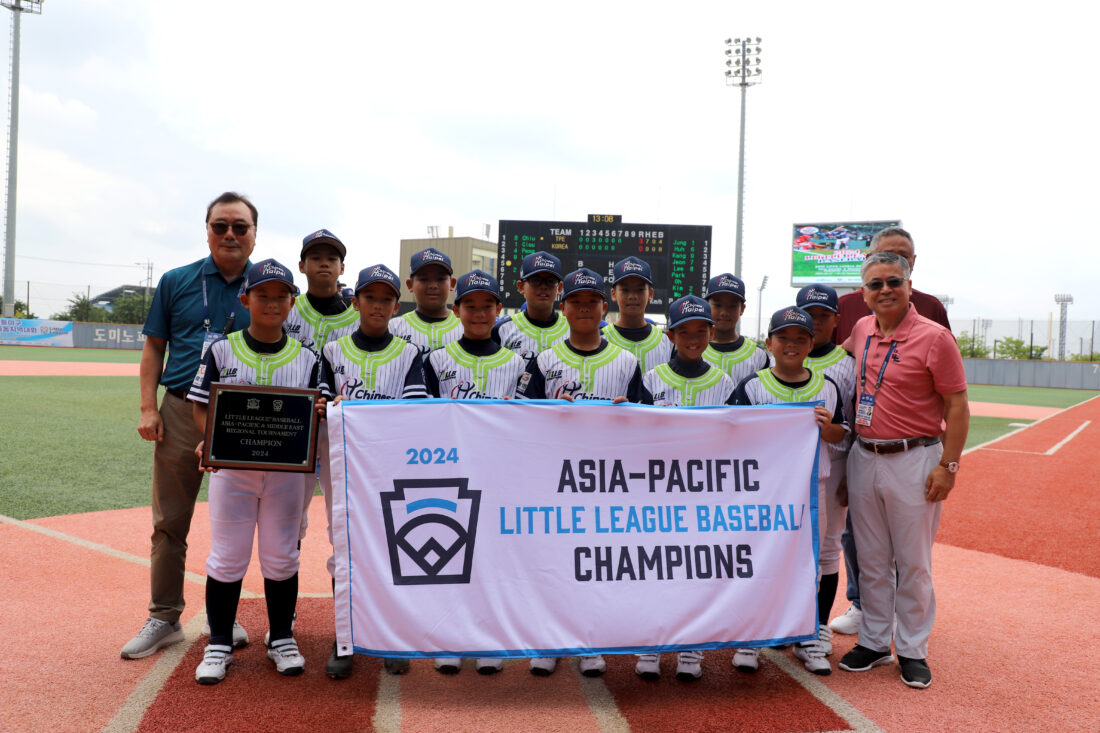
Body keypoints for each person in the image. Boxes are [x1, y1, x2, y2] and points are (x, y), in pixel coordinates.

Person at [123, 192, 257, 660]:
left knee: (236, 523)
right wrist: (149, 408)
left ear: (254, 234)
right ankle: (164, 616)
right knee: (169, 522)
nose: (230, 234)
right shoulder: (176, 281)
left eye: (239, 226)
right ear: (207, 230)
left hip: (242, 417)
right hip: (181, 409)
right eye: (221, 225)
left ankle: (224, 615)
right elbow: (154, 347)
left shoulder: (268, 284)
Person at [188, 259, 326, 684]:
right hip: (233, 472)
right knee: (227, 556)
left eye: (281, 295)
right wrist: (210, 439)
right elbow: (200, 406)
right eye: (262, 294)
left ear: (292, 302)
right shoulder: (222, 349)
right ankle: (219, 643)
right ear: (245, 299)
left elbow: (316, 416)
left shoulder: (309, 358)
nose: (272, 302)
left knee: (282, 556)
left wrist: (320, 411)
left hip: (287, 475)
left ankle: (281, 637)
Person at [837, 251, 968, 689]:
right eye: (875, 284)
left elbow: (957, 405)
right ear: (864, 293)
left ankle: (912, 648)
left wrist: (949, 466)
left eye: (894, 281)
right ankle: (875, 642)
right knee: (871, 559)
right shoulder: (861, 329)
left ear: (909, 285)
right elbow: (830, 363)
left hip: (915, 457)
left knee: (913, 562)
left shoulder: (935, 337)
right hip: (864, 455)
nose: (885, 290)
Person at [517, 267, 642, 677]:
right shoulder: (544, 360)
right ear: (563, 307)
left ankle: (589, 641)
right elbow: (521, 419)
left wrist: (630, 413)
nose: (584, 308)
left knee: (594, 562)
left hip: (606, 480)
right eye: (576, 301)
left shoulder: (627, 361)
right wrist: (549, 414)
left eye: (592, 302)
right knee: (552, 562)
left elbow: (647, 427)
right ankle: (549, 640)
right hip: (555, 478)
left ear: (605, 307)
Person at [320, 263, 429, 678]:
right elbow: (321, 408)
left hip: (390, 466)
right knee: (344, 548)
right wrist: (331, 409)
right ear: (356, 302)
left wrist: (360, 411)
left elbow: (413, 415)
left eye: (386, 299)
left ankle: (390, 636)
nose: (378, 305)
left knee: (391, 547)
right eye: (370, 297)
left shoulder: (409, 353)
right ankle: (344, 635)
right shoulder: (332, 352)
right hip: (342, 467)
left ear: (396, 306)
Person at [732, 306, 848, 676]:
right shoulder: (752, 386)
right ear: (769, 343)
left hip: (812, 490)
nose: (791, 345)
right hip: (762, 492)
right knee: (758, 561)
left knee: (810, 564)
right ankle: (753, 635)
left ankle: (808, 636)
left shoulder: (827, 387)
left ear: (811, 344)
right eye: (783, 338)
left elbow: (841, 436)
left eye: (800, 338)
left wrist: (827, 427)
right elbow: (731, 435)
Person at [424, 270, 527, 675]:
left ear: (499, 310)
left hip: (500, 475)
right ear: (456, 310)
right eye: (471, 305)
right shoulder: (436, 360)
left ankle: (489, 637)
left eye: (487, 306)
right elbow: (417, 417)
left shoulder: (518, 363)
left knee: (492, 559)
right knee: (450, 554)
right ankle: (450, 636)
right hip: (450, 472)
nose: (479, 313)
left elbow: (529, 424)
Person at [637, 294, 736, 682]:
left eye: (700, 331)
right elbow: (635, 437)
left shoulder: (724, 382)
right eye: (684, 332)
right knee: (654, 567)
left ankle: (691, 645)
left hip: (703, 492)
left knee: (694, 570)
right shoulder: (651, 378)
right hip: (656, 490)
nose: (692, 338)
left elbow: (735, 440)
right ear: (670, 335)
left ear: (711, 332)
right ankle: (652, 641)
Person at [283, 229, 359, 554]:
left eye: (332, 258)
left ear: (342, 267)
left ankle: (342, 586)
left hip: (338, 424)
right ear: (302, 266)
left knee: (341, 512)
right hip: (292, 421)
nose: (324, 263)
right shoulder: (287, 308)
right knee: (288, 514)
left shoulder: (357, 317)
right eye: (315, 258)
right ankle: (285, 584)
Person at [491, 250, 568, 360]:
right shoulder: (502, 330)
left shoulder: (573, 330)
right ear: (521, 286)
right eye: (535, 280)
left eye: (550, 281)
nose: (543, 286)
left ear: (559, 288)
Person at [602, 256, 672, 372]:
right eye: (625, 290)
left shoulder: (666, 342)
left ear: (650, 293)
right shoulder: (601, 339)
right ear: (613, 294)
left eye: (640, 290)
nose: (632, 296)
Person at [390, 247, 462, 355]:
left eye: (440, 279)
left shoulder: (467, 327)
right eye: (424, 279)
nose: (433, 285)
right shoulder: (393, 328)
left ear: (452, 284)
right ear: (410, 285)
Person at [701, 273, 769, 386]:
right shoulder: (692, 349)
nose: (724, 312)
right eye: (717, 305)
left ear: (742, 309)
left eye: (732, 306)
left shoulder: (758, 355)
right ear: (707, 306)